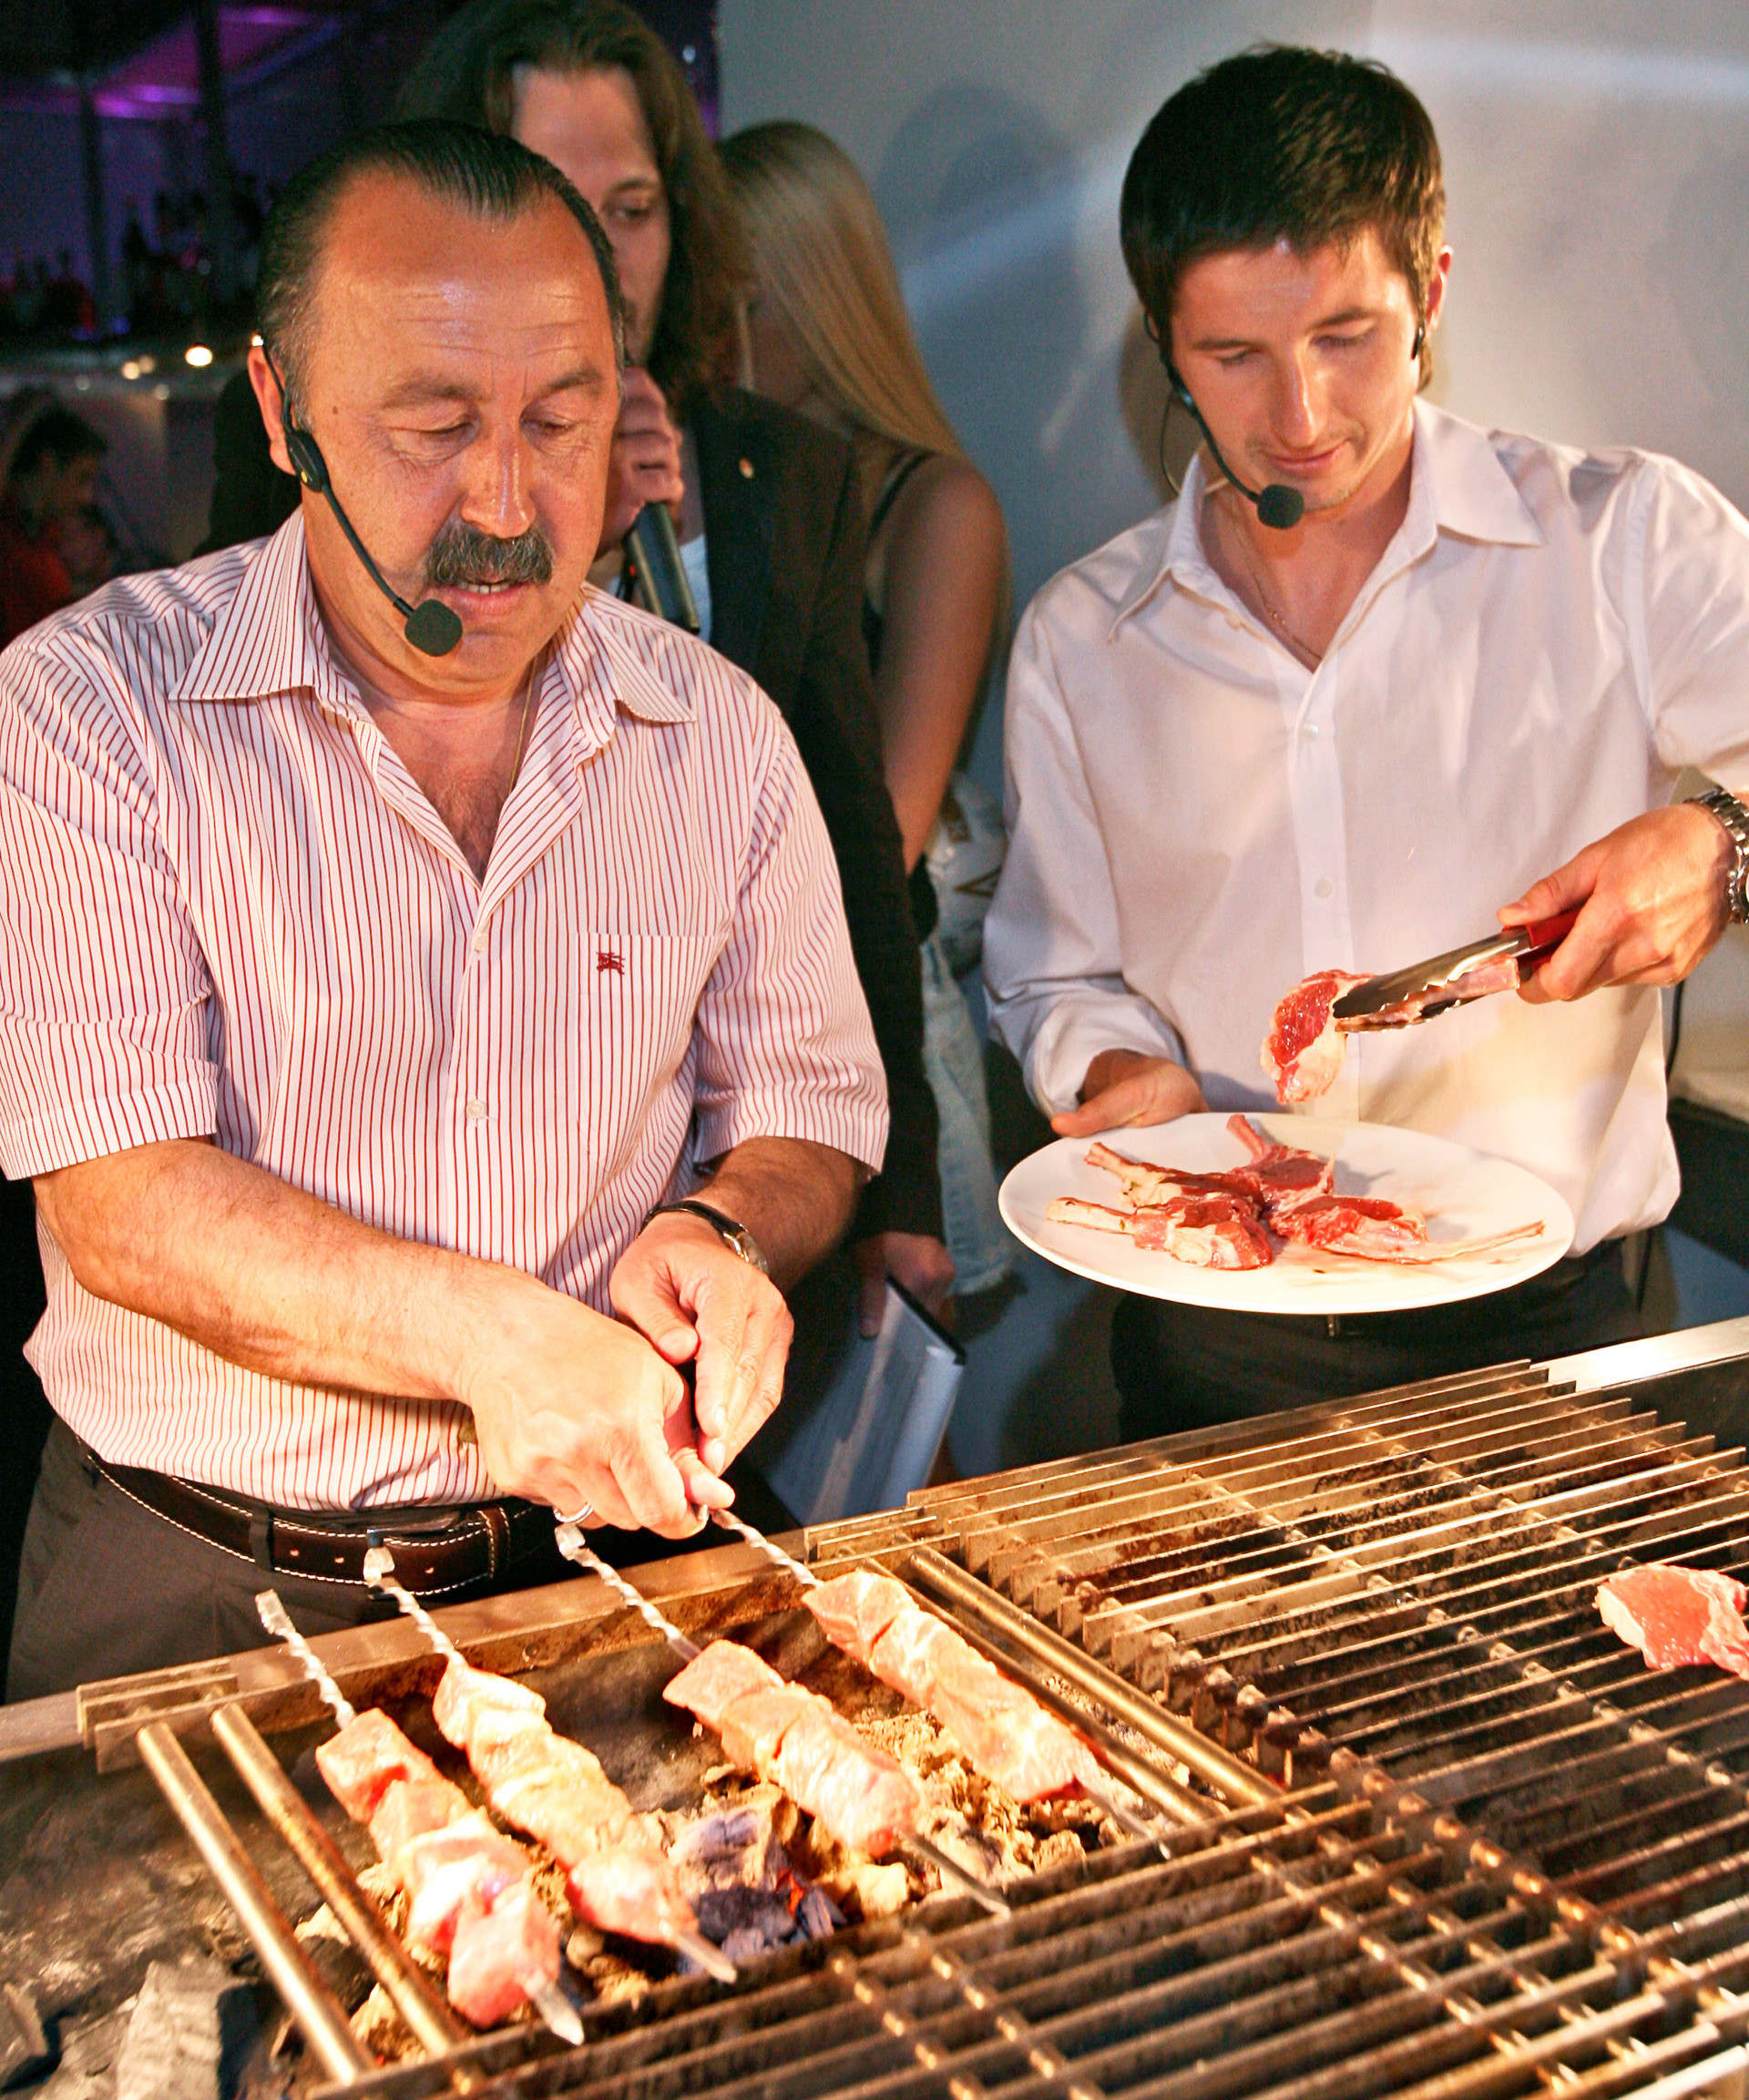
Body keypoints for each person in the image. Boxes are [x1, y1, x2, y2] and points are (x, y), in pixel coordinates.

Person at [0, 121, 888, 1700]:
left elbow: (811, 1108)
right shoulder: (91, 707)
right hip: (207, 1579)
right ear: (283, 414)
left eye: (561, 420)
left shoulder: (719, 728)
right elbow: (118, 1195)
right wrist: (492, 1342)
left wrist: (729, 1227)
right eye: (430, 425)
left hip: (608, 1563)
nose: (504, 498)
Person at [983, 46, 1749, 1439]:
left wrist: (1728, 844)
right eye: (1234, 356)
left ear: (1431, 296)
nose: (1301, 418)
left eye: (1347, 336)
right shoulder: (1086, 638)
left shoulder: (1621, 540)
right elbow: (1055, 974)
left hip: (1556, 1349)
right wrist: (1112, 1071)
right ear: (1164, 346)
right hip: (1216, 1351)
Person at [201, 0, 950, 1335]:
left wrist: (899, 1192)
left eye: (635, 204)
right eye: (546, 189)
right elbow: (267, 685)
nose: (595, 249)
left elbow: (847, 838)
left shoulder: (779, 465)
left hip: (690, 1155)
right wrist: (558, 538)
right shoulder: (319, 446)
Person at [721, 118, 1012, 1311]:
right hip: (764, 999)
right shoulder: (737, 498)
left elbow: (878, 826)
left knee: (888, 1430)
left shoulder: (934, 505)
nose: (711, 347)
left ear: (811, 299)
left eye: (734, 309)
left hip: (868, 1007)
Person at [0, 394, 107, 647]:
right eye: (81, 478)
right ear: (48, 465)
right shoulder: (13, 548)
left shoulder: (48, 547)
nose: (87, 497)